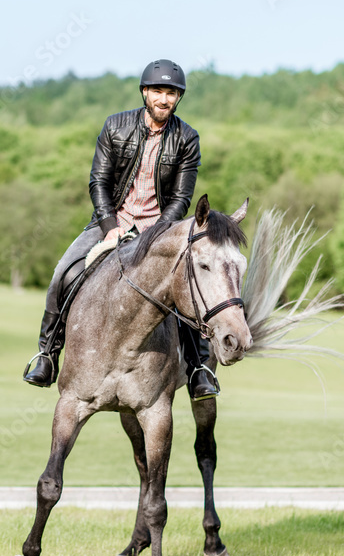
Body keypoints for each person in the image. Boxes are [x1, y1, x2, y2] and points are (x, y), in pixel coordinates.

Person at [23, 59, 220, 400]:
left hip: (159, 230)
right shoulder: (115, 126)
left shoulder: (187, 138)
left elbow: (181, 199)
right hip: (111, 222)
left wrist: (155, 233)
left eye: (171, 93)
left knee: (187, 287)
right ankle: (47, 356)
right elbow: (98, 181)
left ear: (178, 98)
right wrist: (110, 227)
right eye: (158, 90)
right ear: (145, 92)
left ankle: (199, 367)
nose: (164, 98)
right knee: (63, 274)